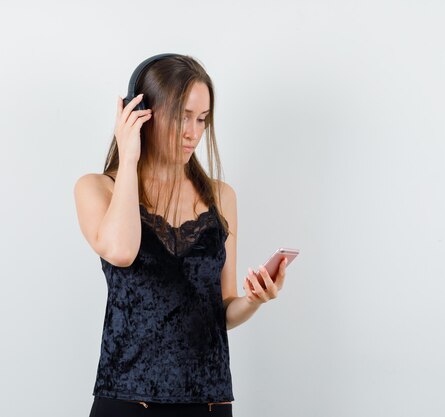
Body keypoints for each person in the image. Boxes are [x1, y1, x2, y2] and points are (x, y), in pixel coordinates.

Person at [74, 54, 289, 417]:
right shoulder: (97, 189)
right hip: (129, 399)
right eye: (182, 117)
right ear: (141, 114)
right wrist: (129, 158)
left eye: (202, 119)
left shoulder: (221, 196)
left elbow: (221, 309)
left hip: (208, 402)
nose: (193, 133)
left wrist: (255, 299)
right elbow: (122, 251)